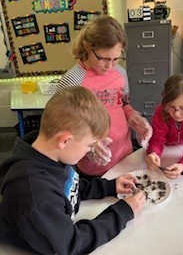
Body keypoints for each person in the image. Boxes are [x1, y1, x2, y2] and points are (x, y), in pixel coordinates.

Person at [0, 86, 146, 255]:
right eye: (90, 145)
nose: (90, 151)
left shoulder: (51, 154)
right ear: (65, 141)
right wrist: (123, 212)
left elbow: (70, 187)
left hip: (58, 229)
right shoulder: (37, 196)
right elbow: (72, 245)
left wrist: (110, 187)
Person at [57, 15, 152, 177]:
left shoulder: (120, 73)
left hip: (125, 155)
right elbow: (62, 128)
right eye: (104, 59)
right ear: (87, 48)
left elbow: (123, 103)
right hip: (94, 165)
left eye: (116, 59)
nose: (110, 66)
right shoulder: (73, 81)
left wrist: (133, 116)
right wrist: (91, 144)